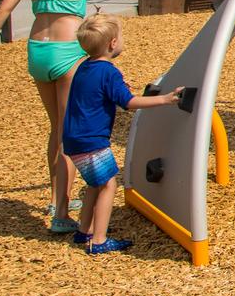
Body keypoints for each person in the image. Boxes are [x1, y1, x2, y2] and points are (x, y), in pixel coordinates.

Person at [0, 0, 207, 234]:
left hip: (38, 53)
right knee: (69, 134)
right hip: (68, 54)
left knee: (57, 129)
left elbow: (4, 9)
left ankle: (59, 200)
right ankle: (61, 213)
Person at [60, 15, 183, 255]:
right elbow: (129, 102)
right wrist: (166, 99)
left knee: (94, 185)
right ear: (113, 43)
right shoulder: (108, 72)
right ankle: (99, 239)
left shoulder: (83, 67)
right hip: (92, 140)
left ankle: (84, 230)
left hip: (73, 139)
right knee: (108, 185)